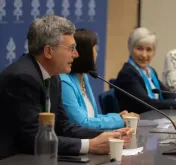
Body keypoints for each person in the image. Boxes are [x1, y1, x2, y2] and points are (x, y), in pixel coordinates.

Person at [0, 15, 133, 160]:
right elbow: (33, 138)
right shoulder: (22, 78)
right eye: (71, 48)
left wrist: (109, 135)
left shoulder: (53, 76)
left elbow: (62, 126)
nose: (76, 55)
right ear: (48, 51)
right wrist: (90, 145)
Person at [60, 29, 138, 130]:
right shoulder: (64, 82)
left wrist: (117, 117)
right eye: (95, 49)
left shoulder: (83, 78)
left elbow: (93, 117)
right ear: (85, 53)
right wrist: (119, 120)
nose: (97, 54)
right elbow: (83, 123)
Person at [115, 27, 176, 114]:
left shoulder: (150, 71)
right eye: (139, 49)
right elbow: (146, 104)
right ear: (131, 49)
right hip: (137, 124)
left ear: (154, 52)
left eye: (149, 50)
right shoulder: (128, 74)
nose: (144, 55)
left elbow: (166, 94)